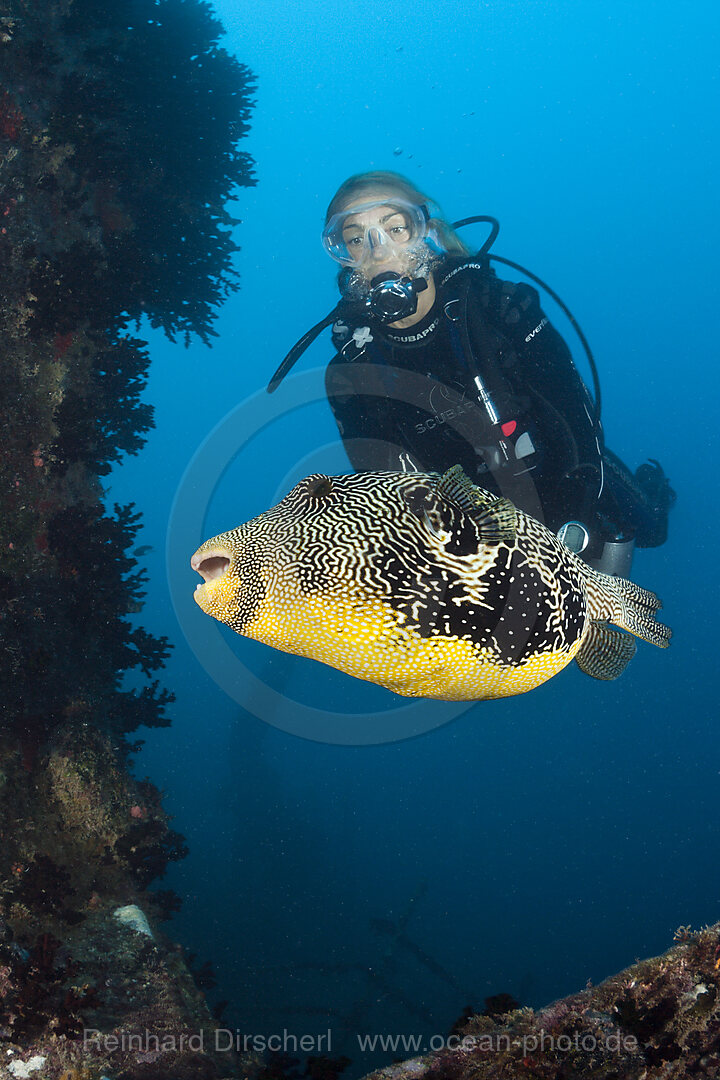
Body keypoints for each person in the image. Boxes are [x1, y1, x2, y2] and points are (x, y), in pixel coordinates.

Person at [271, 171, 674, 575]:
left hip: (558, 476)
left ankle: (652, 498)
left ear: (427, 231)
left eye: (396, 228)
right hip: (467, 529)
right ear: (342, 255)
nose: (379, 251)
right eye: (356, 239)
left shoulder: (502, 308)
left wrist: (576, 511)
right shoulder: (349, 373)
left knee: (650, 528)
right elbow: (384, 494)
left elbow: (575, 417)